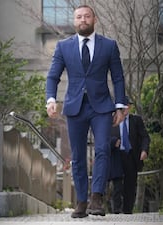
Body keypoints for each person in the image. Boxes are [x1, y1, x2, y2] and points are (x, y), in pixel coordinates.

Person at [45, 4, 127, 218]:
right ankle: (81, 201)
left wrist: (120, 106)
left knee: (102, 149)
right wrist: (51, 99)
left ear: (94, 19)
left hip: (101, 107)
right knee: (78, 156)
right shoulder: (64, 47)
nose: (83, 19)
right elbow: (53, 75)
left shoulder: (109, 46)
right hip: (75, 107)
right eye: (79, 17)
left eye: (87, 16)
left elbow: (118, 77)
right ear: (74, 21)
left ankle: (97, 198)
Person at [110, 96, 150, 214]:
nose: (126, 109)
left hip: (131, 156)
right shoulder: (112, 120)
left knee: (130, 184)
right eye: (123, 106)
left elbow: (145, 137)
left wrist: (144, 150)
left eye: (128, 106)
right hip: (117, 155)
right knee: (117, 184)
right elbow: (104, 138)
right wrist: (114, 142)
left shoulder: (136, 120)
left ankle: (128, 210)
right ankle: (116, 210)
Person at [107, 136, 124, 214]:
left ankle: (116, 208)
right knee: (108, 190)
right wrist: (114, 141)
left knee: (118, 189)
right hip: (112, 167)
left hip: (117, 168)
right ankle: (111, 208)